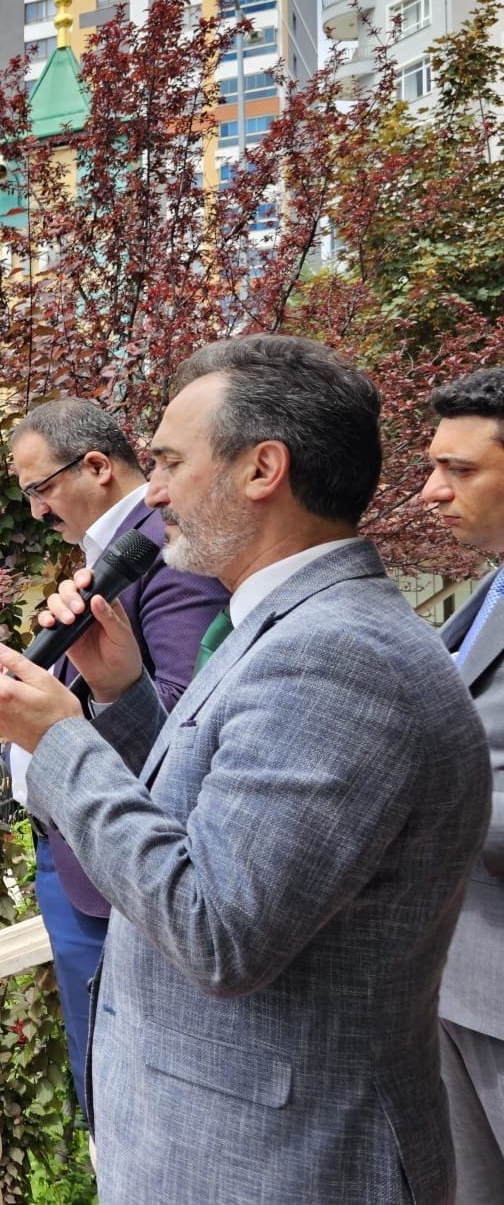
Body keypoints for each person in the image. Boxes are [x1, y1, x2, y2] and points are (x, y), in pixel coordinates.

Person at [0, 335, 490, 1202]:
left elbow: (218, 928)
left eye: (168, 461)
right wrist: (122, 692)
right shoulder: (283, 630)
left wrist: (58, 742)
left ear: (262, 469)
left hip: (278, 1162)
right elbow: (203, 826)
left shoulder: (338, 658)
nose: (154, 490)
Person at [4, 396, 230, 1114]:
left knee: (123, 1099)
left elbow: (180, 711)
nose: (37, 512)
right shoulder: (109, 554)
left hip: (120, 875)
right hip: (79, 863)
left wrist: (54, 722)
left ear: (97, 465)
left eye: (40, 489)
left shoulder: (163, 549)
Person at [417, 367, 504, 1199]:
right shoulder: (488, 589)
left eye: (461, 470)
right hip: (454, 978)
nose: (430, 492)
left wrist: (411, 801)